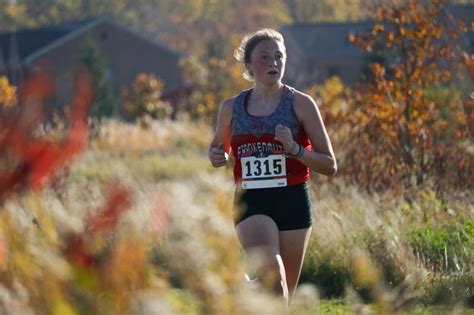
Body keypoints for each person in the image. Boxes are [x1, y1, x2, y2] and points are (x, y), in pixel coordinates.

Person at [208, 28, 337, 306]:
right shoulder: (231, 107)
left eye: (279, 56)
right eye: (265, 57)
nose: (274, 63)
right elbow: (220, 149)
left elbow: (329, 165)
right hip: (251, 202)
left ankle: (241, 290)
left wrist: (295, 149)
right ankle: (244, 287)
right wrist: (219, 156)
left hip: (293, 202)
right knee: (274, 280)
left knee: (282, 301)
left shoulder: (301, 104)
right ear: (249, 66)